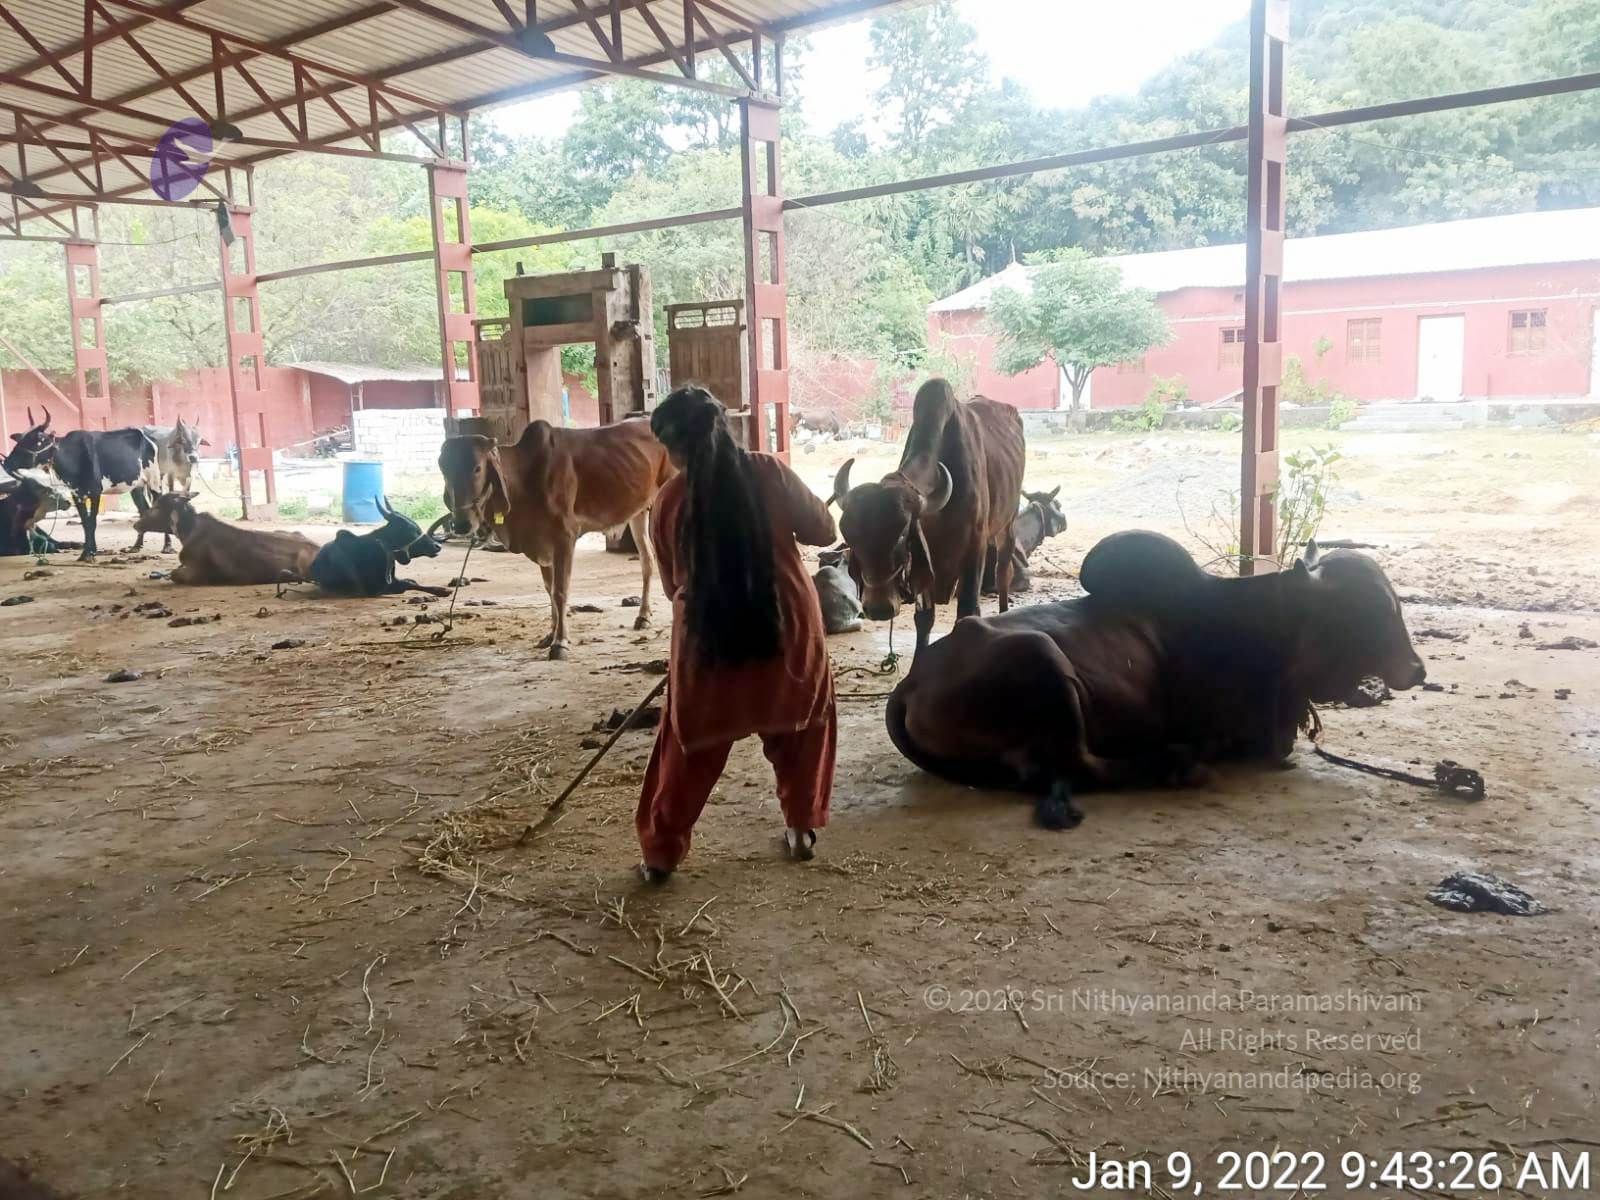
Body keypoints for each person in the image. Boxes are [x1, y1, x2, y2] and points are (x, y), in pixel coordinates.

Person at [636, 385, 839, 883]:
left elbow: (672, 587)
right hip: (788, 631)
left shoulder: (668, 502)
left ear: (674, 449)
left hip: (707, 644)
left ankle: (661, 856)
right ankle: (800, 831)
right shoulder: (770, 471)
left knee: (688, 748)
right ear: (722, 429)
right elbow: (824, 531)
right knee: (802, 729)